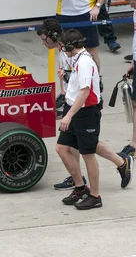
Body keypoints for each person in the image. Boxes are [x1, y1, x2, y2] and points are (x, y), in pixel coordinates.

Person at [56, 29, 133, 210]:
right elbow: (78, 85)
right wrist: (66, 78)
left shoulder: (84, 62)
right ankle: (80, 187)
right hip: (74, 108)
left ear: (69, 46)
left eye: (63, 46)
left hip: (85, 112)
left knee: (87, 153)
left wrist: (68, 115)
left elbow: (84, 92)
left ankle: (95, 196)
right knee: (62, 148)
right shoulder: (77, 59)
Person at [37, 19, 88, 190]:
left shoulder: (68, 52)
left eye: (45, 39)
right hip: (70, 99)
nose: (43, 43)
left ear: (53, 37)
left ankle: (120, 162)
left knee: (82, 144)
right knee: (77, 143)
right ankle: (77, 177)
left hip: (78, 103)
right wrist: (63, 93)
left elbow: (76, 78)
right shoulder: (62, 51)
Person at [120, 0, 136, 157]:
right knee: (134, 103)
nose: (131, 5)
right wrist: (133, 61)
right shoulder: (135, 13)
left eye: (133, 2)